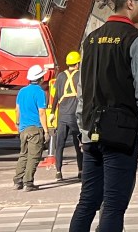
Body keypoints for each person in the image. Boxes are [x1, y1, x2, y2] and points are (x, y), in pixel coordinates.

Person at [69, 0, 138, 232]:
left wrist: (82, 129)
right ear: (131, 3)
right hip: (121, 132)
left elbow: (82, 90)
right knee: (114, 206)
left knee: (87, 201)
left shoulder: (91, 39)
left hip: (91, 131)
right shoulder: (136, 39)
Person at [14, 63, 50, 191]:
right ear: (41, 79)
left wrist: (17, 123)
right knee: (34, 156)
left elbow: (17, 110)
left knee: (23, 155)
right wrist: (46, 131)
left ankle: (18, 181)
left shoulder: (22, 91)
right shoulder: (40, 92)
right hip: (35, 128)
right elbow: (41, 112)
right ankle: (28, 183)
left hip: (23, 129)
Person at [50, 50, 84, 182]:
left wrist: (52, 112)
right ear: (77, 63)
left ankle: (58, 172)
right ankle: (80, 171)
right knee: (78, 144)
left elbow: (56, 96)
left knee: (59, 145)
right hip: (75, 116)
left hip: (62, 116)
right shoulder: (80, 76)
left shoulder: (60, 77)